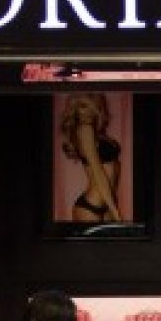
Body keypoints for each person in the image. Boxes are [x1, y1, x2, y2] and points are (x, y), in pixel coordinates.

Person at [58, 93, 123, 224]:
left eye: (89, 106)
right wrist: (115, 211)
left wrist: (113, 206)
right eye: (82, 106)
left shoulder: (96, 133)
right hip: (90, 207)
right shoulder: (84, 129)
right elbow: (98, 171)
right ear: (75, 109)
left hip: (106, 204)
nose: (87, 111)